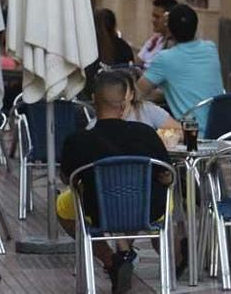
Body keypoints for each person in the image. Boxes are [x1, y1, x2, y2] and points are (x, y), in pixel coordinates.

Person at [57, 71, 175, 294]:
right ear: (124, 103)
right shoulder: (146, 134)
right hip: (149, 209)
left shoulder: (78, 140)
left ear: (93, 100)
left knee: (62, 206)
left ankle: (111, 261)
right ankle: (174, 269)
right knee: (168, 200)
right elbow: (166, 175)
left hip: (98, 210)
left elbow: (68, 178)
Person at [137, 4, 224, 132]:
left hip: (192, 134)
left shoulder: (165, 58)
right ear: (196, 26)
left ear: (169, 30)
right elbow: (191, 87)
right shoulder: (211, 48)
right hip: (221, 131)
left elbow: (137, 92)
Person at [137, 0, 178, 68]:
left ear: (167, 18)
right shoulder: (154, 40)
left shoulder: (175, 45)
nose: (153, 20)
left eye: (157, 17)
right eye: (153, 16)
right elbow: (137, 62)